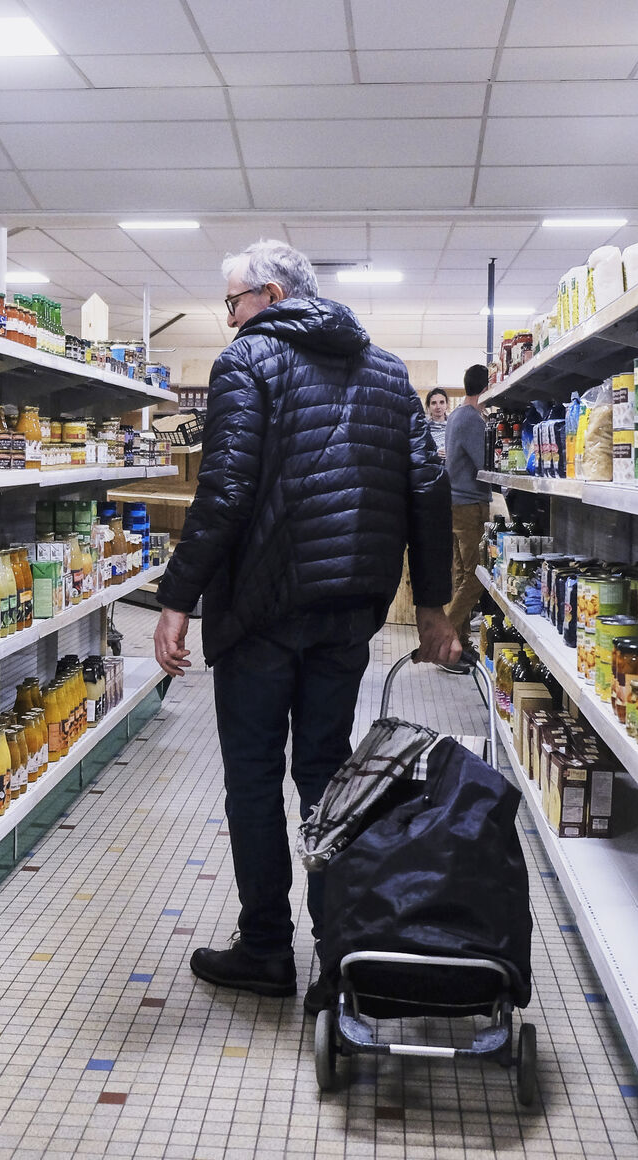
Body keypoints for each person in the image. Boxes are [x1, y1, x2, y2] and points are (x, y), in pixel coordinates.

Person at [152, 239, 458, 1007]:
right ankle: (338, 957)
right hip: (348, 612)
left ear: (274, 296)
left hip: (261, 610)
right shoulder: (391, 374)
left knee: (254, 781)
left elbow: (223, 491)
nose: (229, 321)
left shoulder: (248, 364)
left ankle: (264, 950)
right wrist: (429, 607)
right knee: (327, 773)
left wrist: (177, 598)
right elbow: (429, 492)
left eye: (233, 303)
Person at [442, 365, 493, 661]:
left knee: (462, 573)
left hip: (456, 502)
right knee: (476, 576)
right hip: (470, 505)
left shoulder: (457, 416)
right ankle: (445, 639)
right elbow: (484, 462)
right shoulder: (472, 419)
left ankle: (458, 642)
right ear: (486, 389)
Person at [423, 386, 451, 459]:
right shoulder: (423, 429)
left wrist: (451, 453)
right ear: (428, 406)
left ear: (447, 405)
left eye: (442, 402)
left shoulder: (454, 426)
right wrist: (434, 454)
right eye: (434, 403)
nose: (438, 406)